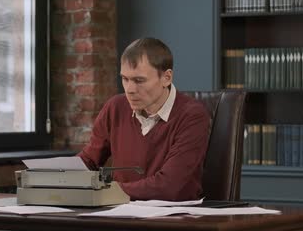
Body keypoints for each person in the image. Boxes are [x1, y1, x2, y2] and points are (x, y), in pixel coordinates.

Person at [77, 37, 211, 201]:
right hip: (120, 214)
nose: (130, 89)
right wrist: (51, 176)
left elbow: (169, 186)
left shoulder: (192, 116)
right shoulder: (115, 108)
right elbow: (88, 161)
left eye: (139, 80)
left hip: (175, 218)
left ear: (166, 78)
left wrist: (107, 190)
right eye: (125, 79)